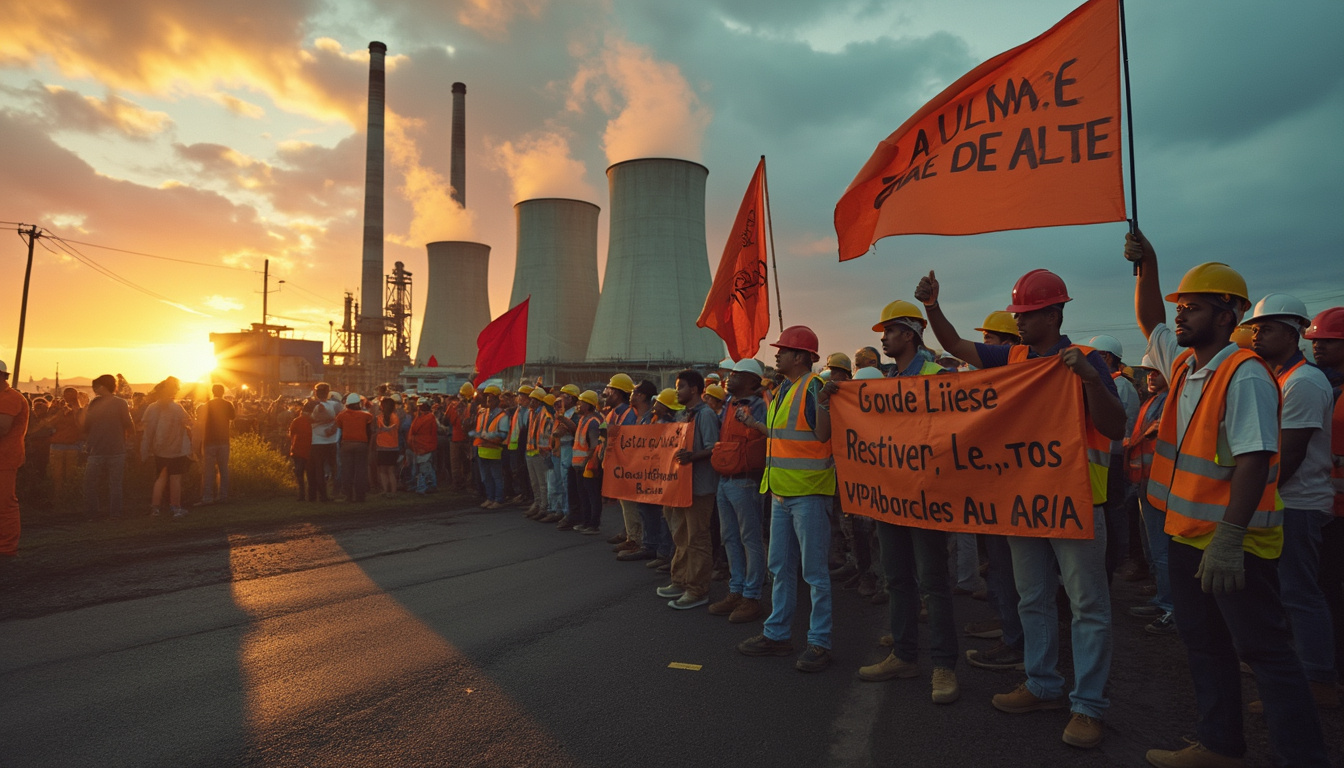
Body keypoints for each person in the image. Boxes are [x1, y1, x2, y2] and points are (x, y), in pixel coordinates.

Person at [1126, 232, 1330, 767]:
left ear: (1227, 315)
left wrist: (1231, 538)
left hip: (1233, 543)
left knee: (1265, 652)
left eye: (1193, 308)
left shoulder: (1245, 375)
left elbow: (1255, 459)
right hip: (1189, 535)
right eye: (1182, 307)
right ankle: (1219, 744)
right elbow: (1151, 321)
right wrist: (1148, 264)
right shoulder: (1185, 366)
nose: (1181, 316)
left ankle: (1303, 757)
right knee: (1205, 646)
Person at [918, 267, 1124, 749]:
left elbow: (1116, 429)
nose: (1020, 324)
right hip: (1023, 502)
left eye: (1028, 316)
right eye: (1019, 316)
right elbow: (955, 346)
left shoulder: (1088, 362)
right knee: (1032, 599)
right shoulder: (1012, 356)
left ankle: (1089, 706)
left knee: (1087, 605)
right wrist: (932, 307)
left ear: (1054, 315)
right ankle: (1042, 684)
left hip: (1076, 500)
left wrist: (1091, 380)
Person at [843, 300, 960, 704]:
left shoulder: (938, 375)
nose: (883, 338)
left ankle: (944, 665)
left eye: (889, 331)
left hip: (927, 497)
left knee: (933, 583)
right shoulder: (888, 378)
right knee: (897, 578)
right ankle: (905, 656)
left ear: (908, 334)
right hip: (891, 495)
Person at [1245, 293, 1339, 711]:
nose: (1256, 334)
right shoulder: (1282, 376)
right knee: (1285, 592)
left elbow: (1292, 452)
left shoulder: (1303, 382)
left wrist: (1254, 497)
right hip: (1285, 501)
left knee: (1300, 594)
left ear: (1292, 332)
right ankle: (1292, 667)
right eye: (1255, 327)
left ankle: (1317, 680)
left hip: (1296, 504)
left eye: (1265, 328)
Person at [737, 326, 836, 672]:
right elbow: (783, 436)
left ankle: (820, 643)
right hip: (781, 492)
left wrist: (824, 405)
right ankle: (777, 634)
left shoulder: (814, 388)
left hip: (808, 492)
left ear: (799, 356)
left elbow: (823, 434)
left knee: (814, 573)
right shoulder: (783, 391)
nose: (776, 354)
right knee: (780, 568)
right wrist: (754, 424)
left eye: (782, 350)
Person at [964, 311, 1028, 671]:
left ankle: (1015, 640)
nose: (984, 345)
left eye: (989, 339)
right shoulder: (985, 380)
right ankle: (1006, 625)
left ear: (1007, 344)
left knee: (1012, 569)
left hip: (1012, 492)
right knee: (1000, 566)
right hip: (990, 489)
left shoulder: (1014, 381)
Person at [708, 359, 769, 623]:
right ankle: (736, 589)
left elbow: (768, 438)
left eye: (735, 375)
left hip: (745, 481)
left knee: (750, 539)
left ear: (752, 381)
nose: (729, 379)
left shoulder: (761, 406)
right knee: (730, 537)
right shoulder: (728, 406)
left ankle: (751, 596)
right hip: (725, 479)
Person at [657, 370, 721, 610]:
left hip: (700, 488)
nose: (677, 391)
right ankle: (681, 580)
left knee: (697, 538)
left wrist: (692, 457)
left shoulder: (705, 415)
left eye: (681, 386)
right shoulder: (686, 415)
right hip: (682, 486)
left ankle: (698, 589)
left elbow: (713, 448)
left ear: (694, 389)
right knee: (681, 535)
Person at [1304, 307, 1344, 685]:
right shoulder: (1325, 387)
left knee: (1326, 592)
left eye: (1327, 341)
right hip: (1328, 506)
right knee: (1325, 588)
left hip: (1335, 509)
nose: (1317, 347)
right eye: (1315, 341)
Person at [1125, 357, 1175, 635]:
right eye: (1148, 372)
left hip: (1161, 483)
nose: (1150, 376)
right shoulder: (1152, 401)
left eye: (1157, 371)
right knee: (1155, 548)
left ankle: (1171, 607)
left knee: (1164, 550)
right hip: (1147, 482)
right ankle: (1163, 600)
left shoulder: (1171, 400)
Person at [80, 374, 133, 520]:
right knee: (115, 484)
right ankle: (115, 514)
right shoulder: (121, 403)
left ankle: (92, 513)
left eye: (95, 387)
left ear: (102, 387)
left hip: (97, 449)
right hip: (117, 449)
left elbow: (86, 426)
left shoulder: (94, 403)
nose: (94, 390)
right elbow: (129, 424)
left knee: (90, 483)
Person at [141, 377, 193, 519]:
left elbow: (147, 430)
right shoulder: (177, 408)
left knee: (160, 478)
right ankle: (176, 508)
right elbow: (188, 424)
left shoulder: (151, 408)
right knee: (175, 479)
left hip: (158, 450)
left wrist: (146, 450)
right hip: (176, 450)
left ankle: (155, 509)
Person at [602, 374, 642, 550]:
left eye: (609, 390)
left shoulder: (629, 413)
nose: (605, 394)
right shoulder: (613, 413)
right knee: (624, 503)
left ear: (618, 393)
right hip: (617, 463)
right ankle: (628, 531)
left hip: (627, 464)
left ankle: (634, 538)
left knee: (629, 502)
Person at [0, 359, 29, 555]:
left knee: (4, 503)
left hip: (5, 458)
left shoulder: (9, 398)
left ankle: (6, 548)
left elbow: (2, 428)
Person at [570, 390, 604, 534]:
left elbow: (594, 446)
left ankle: (593, 524)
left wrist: (588, 462)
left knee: (592, 495)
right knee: (583, 495)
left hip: (589, 465)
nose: (578, 405)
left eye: (581, 402)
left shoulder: (593, 422)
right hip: (579, 465)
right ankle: (585, 522)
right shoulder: (583, 419)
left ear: (589, 405)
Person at [471, 384, 508, 510]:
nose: (488, 401)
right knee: (486, 477)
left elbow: (502, 435)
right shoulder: (483, 413)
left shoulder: (503, 415)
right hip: (482, 449)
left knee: (496, 476)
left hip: (494, 450)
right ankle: (490, 498)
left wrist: (487, 438)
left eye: (491, 399)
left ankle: (499, 499)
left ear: (497, 400)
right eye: (487, 398)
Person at [197, 384, 235, 506]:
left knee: (208, 470)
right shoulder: (228, 404)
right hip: (224, 440)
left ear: (212, 392)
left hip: (209, 440)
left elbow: (201, 420)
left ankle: (207, 497)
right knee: (224, 469)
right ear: (223, 392)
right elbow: (233, 417)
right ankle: (223, 496)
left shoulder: (207, 405)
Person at [334, 393, 374, 503]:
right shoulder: (366, 416)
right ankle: (360, 496)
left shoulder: (341, 415)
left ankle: (348, 496)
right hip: (361, 444)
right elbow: (369, 431)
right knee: (360, 471)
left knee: (347, 471)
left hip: (346, 444)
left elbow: (340, 428)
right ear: (358, 403)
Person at [308, 383, 341, 502]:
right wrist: (332, 428)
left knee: (319, 469)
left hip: (316, 442)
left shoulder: (310, 405)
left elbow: (305, 420)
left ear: (315, 392)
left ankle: (322, 495)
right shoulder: (336, 405)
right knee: (333, 468)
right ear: (328, 392)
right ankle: (334, 492)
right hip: (332, 440)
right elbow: (341, 419)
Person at [523, 388, 552, 517]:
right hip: (530, 451)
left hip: (540, 453)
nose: (531, 402)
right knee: (534, 482)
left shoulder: (545, 415)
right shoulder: (531, 413)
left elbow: (546, 435)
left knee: (542, 483)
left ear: (540, 401)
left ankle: (543, 507)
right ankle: (538, 503)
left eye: (534, 400)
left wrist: (544, 450)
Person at [47, 387, 83, 490]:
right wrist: (56, 410)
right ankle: (62, 501)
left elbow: (81, 427)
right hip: (64, 445)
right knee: (60, 478)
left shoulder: (79, 411)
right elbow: (49, 424)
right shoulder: (59, 410)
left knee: (66, 477)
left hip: (69, 445)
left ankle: (63, 500)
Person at [408, 400, 438, 494]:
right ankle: (432, 485)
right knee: (428, 467)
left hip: (422, 446)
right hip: (428, 445)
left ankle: (422, 488)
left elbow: (414, 429)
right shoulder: (431, 418)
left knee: (423, 469)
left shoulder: (423, 419)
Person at [374, 397, 401, 497]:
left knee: (384, 470)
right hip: (392, 446)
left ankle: (388, 490)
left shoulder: (380, 417)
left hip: (383, 446)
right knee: (389, 470)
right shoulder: (394, 417)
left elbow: (381, 429)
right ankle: (391, 491)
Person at [290, 400, 314, 501]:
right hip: (311, 450)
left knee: (299, 475)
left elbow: (291, 434)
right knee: (311, 475)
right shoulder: (314, 422)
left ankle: (301, 495)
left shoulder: (296, 421)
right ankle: (311, 495)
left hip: (298, 450)